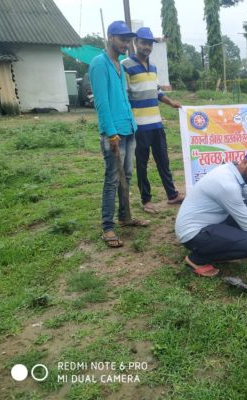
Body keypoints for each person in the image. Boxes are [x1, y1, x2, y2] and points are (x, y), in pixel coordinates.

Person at [175, 148, 247, 277]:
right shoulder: (228, 185)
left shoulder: (235, 173)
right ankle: (197, 259)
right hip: (193, 234)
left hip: (207, 222)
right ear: (245, 162)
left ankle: (221, 247)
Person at [89, 21, 148, 248]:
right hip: (114, 133)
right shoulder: (99, 64)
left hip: (129, 129)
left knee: (128, 176)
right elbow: (102, 103)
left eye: (128, 40)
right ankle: (107, 226)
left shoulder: (120, 66)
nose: (126, 44)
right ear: (110, 37)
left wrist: (132, 124)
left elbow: (123, 98)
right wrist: (111, 133)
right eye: (123, 39)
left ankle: (125, 217)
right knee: (113, 180)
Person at [121, 27, 184, 214]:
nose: (147, 46)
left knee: (163, 160)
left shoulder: (153, 67)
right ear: (135, 43)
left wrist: (171, 102)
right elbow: (124, 95)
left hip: (156, 124)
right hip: (139, 126)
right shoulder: (126, 65)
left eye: (150, 44)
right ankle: (146, 200)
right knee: (142, 164)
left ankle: (172, 195)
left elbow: (156, 91)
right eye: (143, 43)